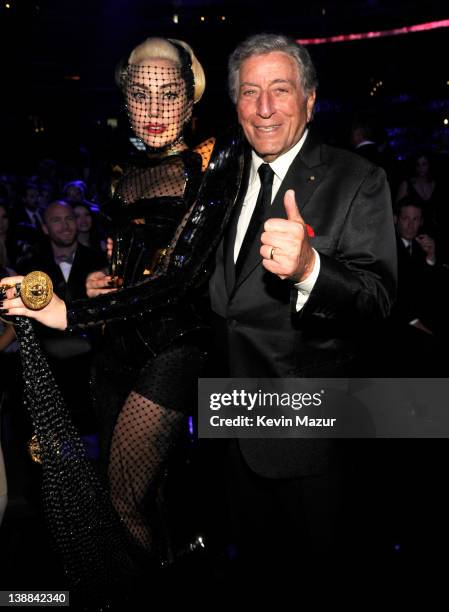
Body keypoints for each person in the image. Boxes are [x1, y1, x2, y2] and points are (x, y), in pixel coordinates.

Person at [0, 36, 243, 592]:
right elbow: (127, 255)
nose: (155, 110)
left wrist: (74, 311)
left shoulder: (215, 155)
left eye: (169, 94)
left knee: (122, 496)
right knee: (141, 496)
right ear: (125, 99)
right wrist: (98, 281)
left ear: (190, 97)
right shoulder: (115, 168)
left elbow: (180, 278)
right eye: (141, 95)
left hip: (176, 342)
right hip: (114, 346)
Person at [208, 33, 397, 581]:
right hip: (230, 425)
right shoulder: (218, 180)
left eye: (280, 89)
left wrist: (310, 269)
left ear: (310, 100)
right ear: (236, 103)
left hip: (313, 438)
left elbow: (378, 300)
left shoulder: (358, 179)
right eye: (250, 92)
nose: (264, 108)